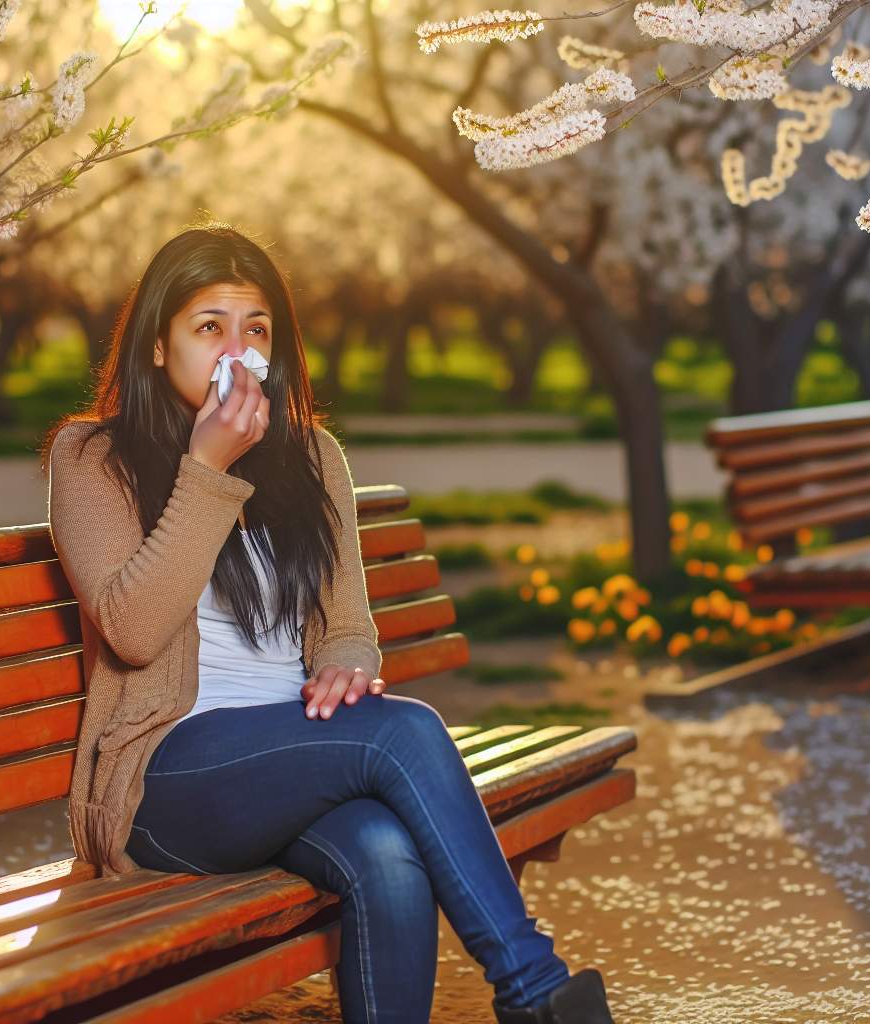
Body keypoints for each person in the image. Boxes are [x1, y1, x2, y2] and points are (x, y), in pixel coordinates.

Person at [42, 222, 615, 1024]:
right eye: (209, 328)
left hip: (291, 763)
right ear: (155, 348)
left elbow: (347, 625)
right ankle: (536, 992)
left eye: (257, 330)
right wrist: (206, 469)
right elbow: (133, 631)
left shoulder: (313, 458)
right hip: (165, 782)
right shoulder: (92, 458)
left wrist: (345, 662)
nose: (236, 352)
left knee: (385, 851)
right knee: (404, 732)